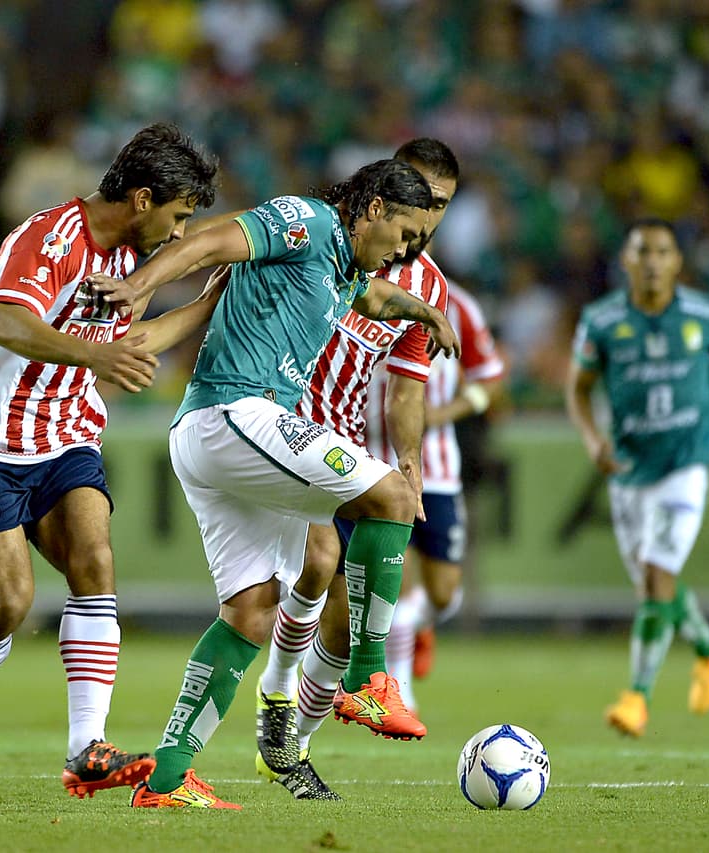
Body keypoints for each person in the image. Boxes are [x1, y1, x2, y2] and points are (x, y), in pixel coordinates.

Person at [89, 158, 460, 809]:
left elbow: (374, 299)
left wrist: (423, 309)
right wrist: (142, 283)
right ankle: (371, 675)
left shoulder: (344, 269)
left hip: (211, 438)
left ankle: (167, 776)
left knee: (253, 609)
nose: (405, 250)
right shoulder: (308, 221)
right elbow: (213, 238)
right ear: (372, 208)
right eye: (401, 234)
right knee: (394, 495)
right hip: (238, 412)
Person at [0, 122, 221, 807]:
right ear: (144, 199)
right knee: (8, 602)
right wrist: (97, 357)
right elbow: (8, 323)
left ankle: (85, 747)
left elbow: (137, 336)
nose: (180, 235)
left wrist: (209, 302)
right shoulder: (48, 237)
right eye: (179, 217)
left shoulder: (134, 261)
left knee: (95, 557)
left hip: (67, 438)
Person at [247, 139, 468, 801]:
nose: (430, 220)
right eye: (423, 200)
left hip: (338, 438)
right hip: (274, 415)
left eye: (445, 206)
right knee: (304, 574)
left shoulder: (429, 286)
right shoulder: (331, 245)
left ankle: (290, 743)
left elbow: (405, 387)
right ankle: (291, 694)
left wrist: (408, 458)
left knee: (339, 614)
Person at [565, 218, 709, 738]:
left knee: (654, 575)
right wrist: (592, 439)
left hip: (686, 463)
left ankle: (636, 698)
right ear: (626, 260)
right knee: (656, 584)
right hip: (628, 468)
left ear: (677, 262)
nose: (652, 261)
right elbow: (577, 389)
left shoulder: (707, 312)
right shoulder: (601, 321)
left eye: (663, 252)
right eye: (642, 251)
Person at [378, 282, 505, 712]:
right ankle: (401, 692)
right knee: (398, 584)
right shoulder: (364, 291)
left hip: (440, 472)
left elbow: (490, 378)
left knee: (445, 595)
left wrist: (443, 414)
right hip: (377, 465)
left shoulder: (460, 305)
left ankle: (417, 630)